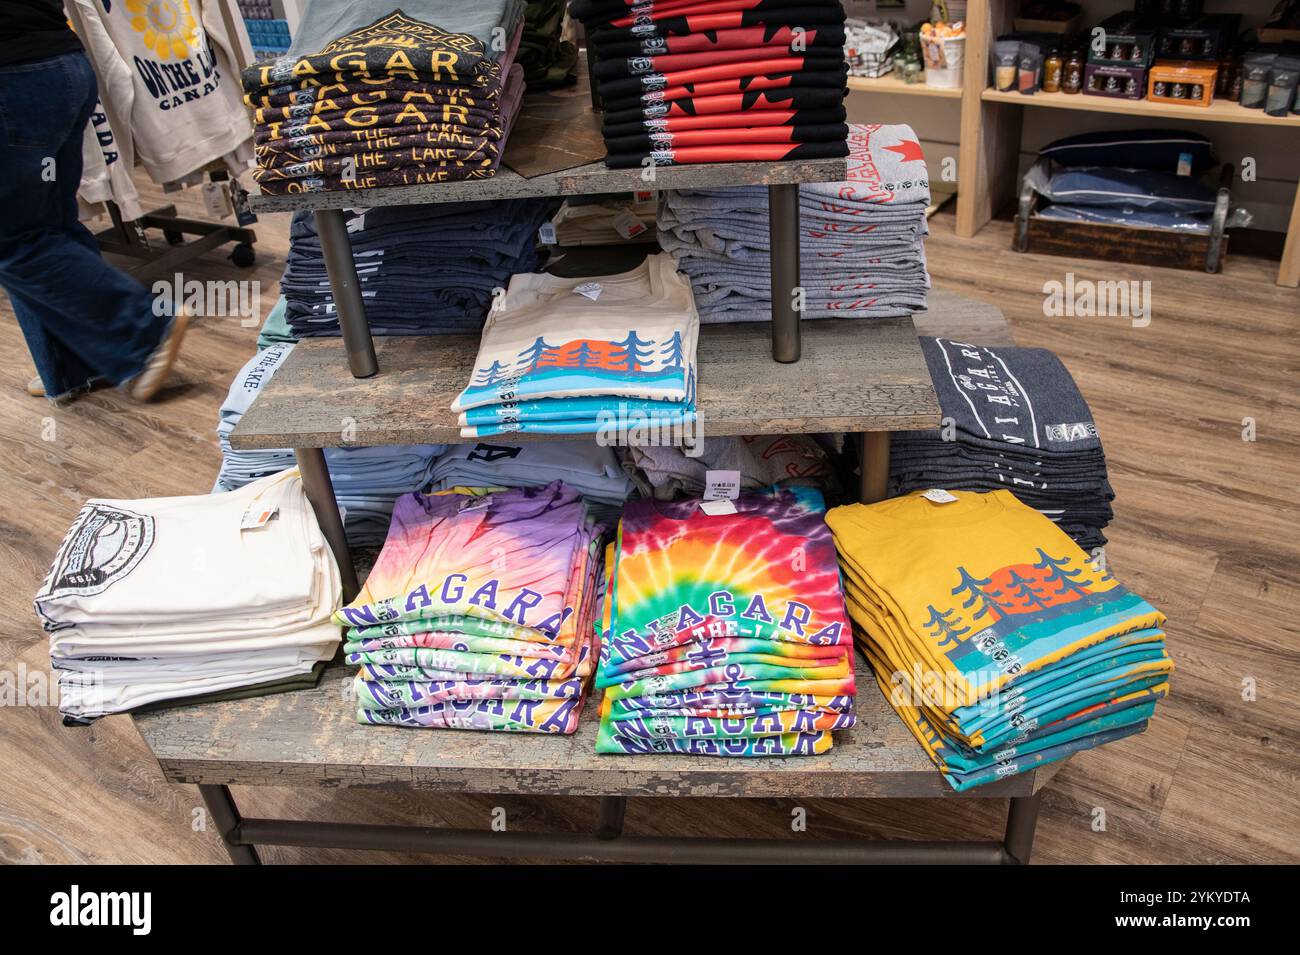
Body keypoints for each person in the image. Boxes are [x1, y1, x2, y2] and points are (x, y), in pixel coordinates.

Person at [0, 0, 187, 403]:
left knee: (14, 240)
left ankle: (144, 330)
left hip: (13, 79)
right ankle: (73, 367)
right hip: (60, 67)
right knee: (50, 226)